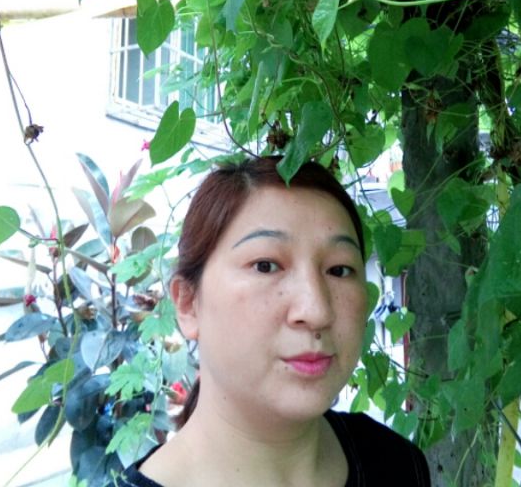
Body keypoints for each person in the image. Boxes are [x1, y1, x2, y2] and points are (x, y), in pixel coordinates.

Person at [116, 156, 430, 486]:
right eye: (265, 266)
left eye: (339, 270)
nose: (316, 311)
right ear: (188, 304)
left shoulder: (396, 464)